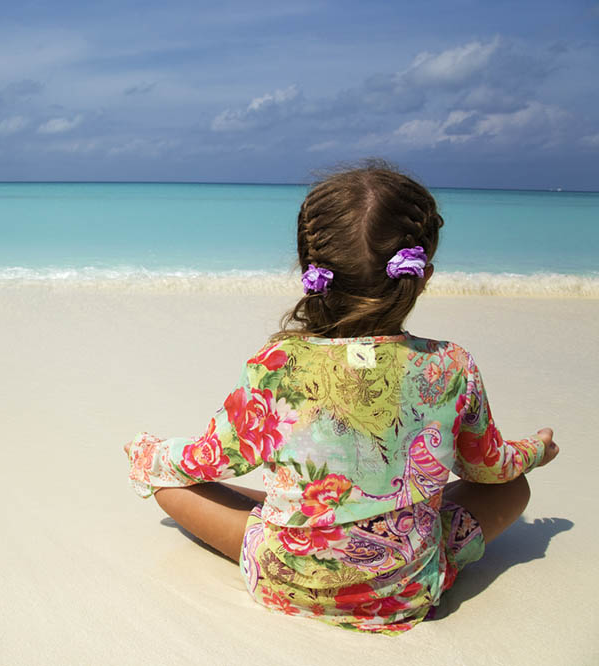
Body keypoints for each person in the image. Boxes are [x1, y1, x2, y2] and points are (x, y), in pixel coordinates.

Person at [122, 161, 560, 634]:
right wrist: (536, 449)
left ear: (310, 271)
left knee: (167, 483)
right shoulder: (450, 366)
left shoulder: (278, 364)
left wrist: (150, 452)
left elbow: (209, 460)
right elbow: (486, 468)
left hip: (284, 581)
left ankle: (295, 525)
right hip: (406, 591)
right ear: (422, 274)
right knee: (514, 486)